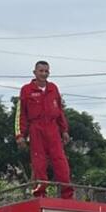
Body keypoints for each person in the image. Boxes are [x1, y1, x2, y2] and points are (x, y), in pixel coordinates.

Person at [15, 61, 73, 199]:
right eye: (41, 71)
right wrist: (20, 135)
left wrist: (64, 130)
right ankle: (40, 194)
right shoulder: (26, 90)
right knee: (39, 162)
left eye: (46, 71)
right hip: (36, 129)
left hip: (53, 129)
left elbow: (60, 111)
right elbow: (21, 114)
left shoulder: (53, 88)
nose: (44, 74)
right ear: (35, 72)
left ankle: (67, 195)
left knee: (60, 161)